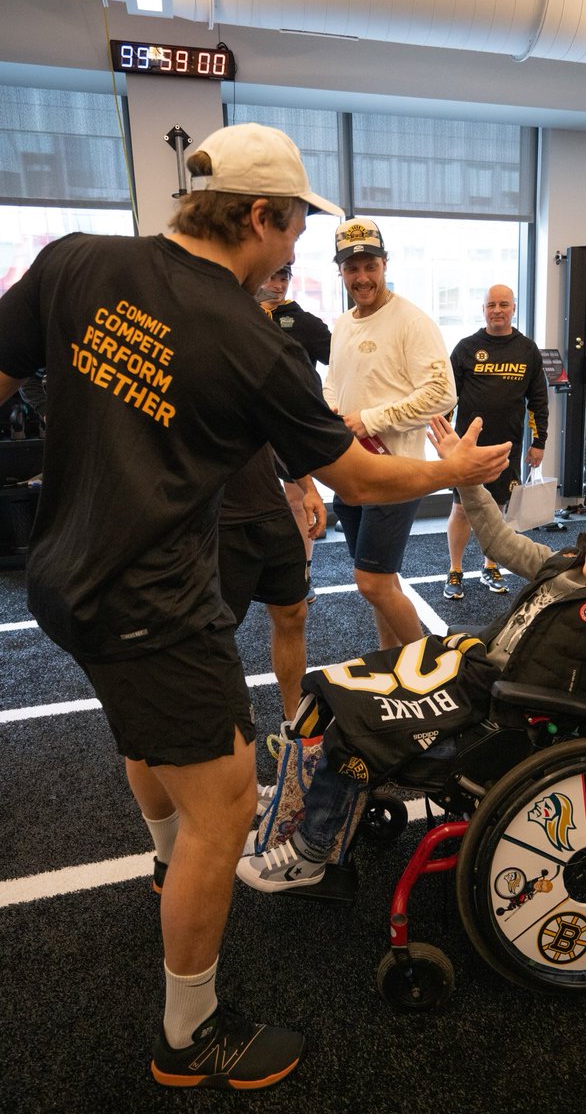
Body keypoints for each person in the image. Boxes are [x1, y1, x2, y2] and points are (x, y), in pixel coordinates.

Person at [0, 122, 511, 1090]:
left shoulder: (75, 261)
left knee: (144, 739)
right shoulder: (248, 338)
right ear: (261, 217)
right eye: (294, 232)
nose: (298, 252)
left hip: (61, 580)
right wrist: (454, 470)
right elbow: (356, 480)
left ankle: (164, 867)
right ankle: (190, 1034)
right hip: (152, 603)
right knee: (228, 802)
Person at [237, 414, 586, 895]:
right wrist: (463, 477)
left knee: (356, 728)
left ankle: (311, 854)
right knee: (338, 688)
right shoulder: (565, 565)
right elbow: (500, 541)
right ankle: (294, 796)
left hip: (500, 718)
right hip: (469, 677)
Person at [323, 216, 456, 649]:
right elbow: (335, 384)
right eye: (351, 268)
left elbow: (442, 393)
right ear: (340, 270)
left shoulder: (411, 322)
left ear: (384, 263)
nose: (362, 277)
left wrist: (373, 418)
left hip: (394, 473)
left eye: (370, 266)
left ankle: (431, 666)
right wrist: (330, 408)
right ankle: (391, 660)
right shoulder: (342, 325)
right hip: (352, 472)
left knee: (372, 583)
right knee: (382, 581)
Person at [444, 283, 548, 599]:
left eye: (504, 304)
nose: (497, 310)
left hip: (508, 447)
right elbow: (447, 397)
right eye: (491, 305)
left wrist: (539, 441)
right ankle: (455, 570)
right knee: (462, 509)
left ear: (513, 308)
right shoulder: (465, 348)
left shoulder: (527, 350)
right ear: (484, 309)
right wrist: (446, 442)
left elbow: (539, 399)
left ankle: (491, 566)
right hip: (468, 449)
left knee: (498, 509)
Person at [217, 440, 325, 719]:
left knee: (293, 613)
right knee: (214, 631)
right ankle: (221, 723)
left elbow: (278, 432)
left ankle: (294, 722)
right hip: (215, 520)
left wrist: (309, 488)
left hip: (271, 511)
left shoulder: (256, 393)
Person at [256, 264, 331, 603]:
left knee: (296, 499)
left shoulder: (301, 321)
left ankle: (303, 571)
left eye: (283, 277)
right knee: (253, 502)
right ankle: (260, 568)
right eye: (271, 276)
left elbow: (342, 358)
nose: (277, 284)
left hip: (290, 424)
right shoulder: (242, 315)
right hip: (247, 425)